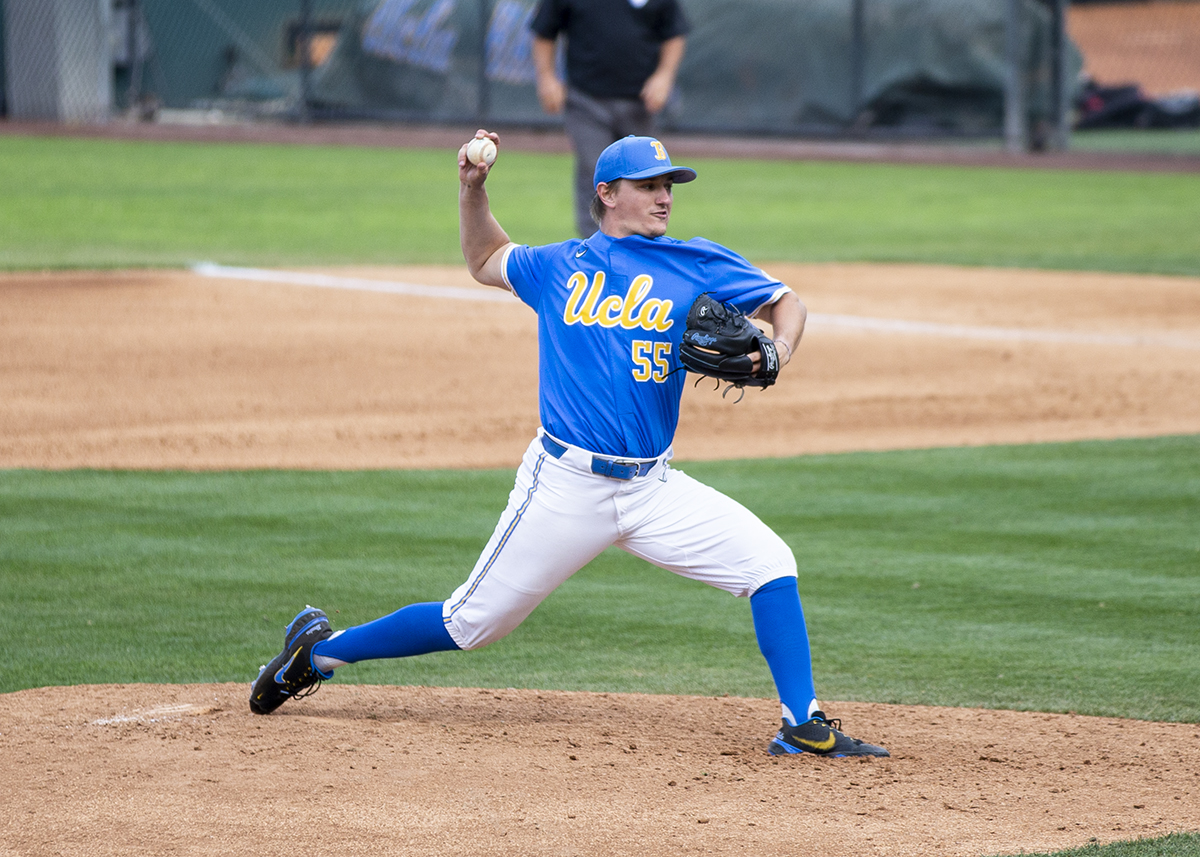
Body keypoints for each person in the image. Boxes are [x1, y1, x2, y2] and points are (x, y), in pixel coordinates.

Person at [249, 131, 889, 759]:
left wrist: (778, 348)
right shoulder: (558, 266)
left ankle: (800, 722)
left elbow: (785, 302)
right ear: (607, 193)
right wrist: (473, 192)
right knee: (469, 625)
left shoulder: (697, 261)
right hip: (564, 488)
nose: (665, 197)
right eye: (649, 185)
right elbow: (483, 260)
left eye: (670, 185)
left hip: (652, 487)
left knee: (769, 566)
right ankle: (319, 651)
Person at [530, 0, 688, 238]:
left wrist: (664, 76)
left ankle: (644, 244)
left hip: (641, 101)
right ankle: (595, 247)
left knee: (646, 174)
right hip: (586, 99)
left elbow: (674, 32)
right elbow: (544, 30)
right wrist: (546, 77)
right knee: (595, 171)